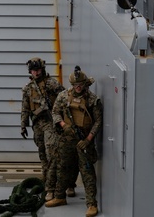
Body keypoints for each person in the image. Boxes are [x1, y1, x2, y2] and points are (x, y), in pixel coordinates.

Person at [49, 66, 102, 216]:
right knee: (63, 167)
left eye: (80, 85)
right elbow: (55, 112)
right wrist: (63, 125)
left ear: (85, 84)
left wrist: (88, 139)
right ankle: (60, 196)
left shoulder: (92, 99)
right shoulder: (63, 96)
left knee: (87, 172)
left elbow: (98, 122)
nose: (78, 88)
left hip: (84, 140)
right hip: (67, 139)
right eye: (75, 85)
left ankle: (91, 204)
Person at [19, 56, 63, 201]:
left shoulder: (51, 83)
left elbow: (64, 98)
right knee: (43, 154)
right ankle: (46, 181)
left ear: (42, 69)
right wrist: (23, 125)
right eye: (33, 70)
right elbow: (25, 108)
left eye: (38, 70)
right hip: (37, 124)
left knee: (51, 153)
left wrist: (59, 118)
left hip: (50, 123)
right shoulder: (28, 88)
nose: (36, 73)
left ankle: (51, 188)